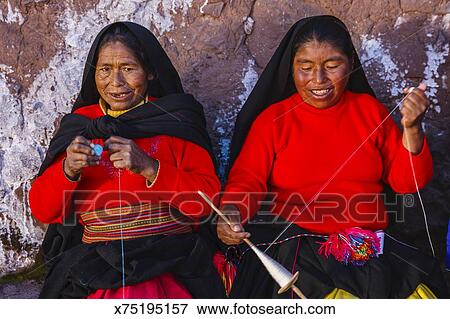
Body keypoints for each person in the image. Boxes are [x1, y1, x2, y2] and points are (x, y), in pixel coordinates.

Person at [217, 15, 448, 298]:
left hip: (370, 250)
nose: (319, 79)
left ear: (351, 62)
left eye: (332, 66)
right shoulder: (273, 122)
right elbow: (247, 182)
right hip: (300, 251)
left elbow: (406, 183)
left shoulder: (371, 112)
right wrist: (232, 213)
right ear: (291, 68)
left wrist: (411, 128)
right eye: (305, 67)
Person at [29, 22, 225, 299]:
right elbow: (42, 210)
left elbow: (208, 204)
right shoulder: (81, 127)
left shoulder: (175, 121)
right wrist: (68, 170)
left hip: (169, 254)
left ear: (150, 72)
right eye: (105, 69)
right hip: (97, 259)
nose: (115, 82)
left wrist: (150, 168)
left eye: (128, 68)